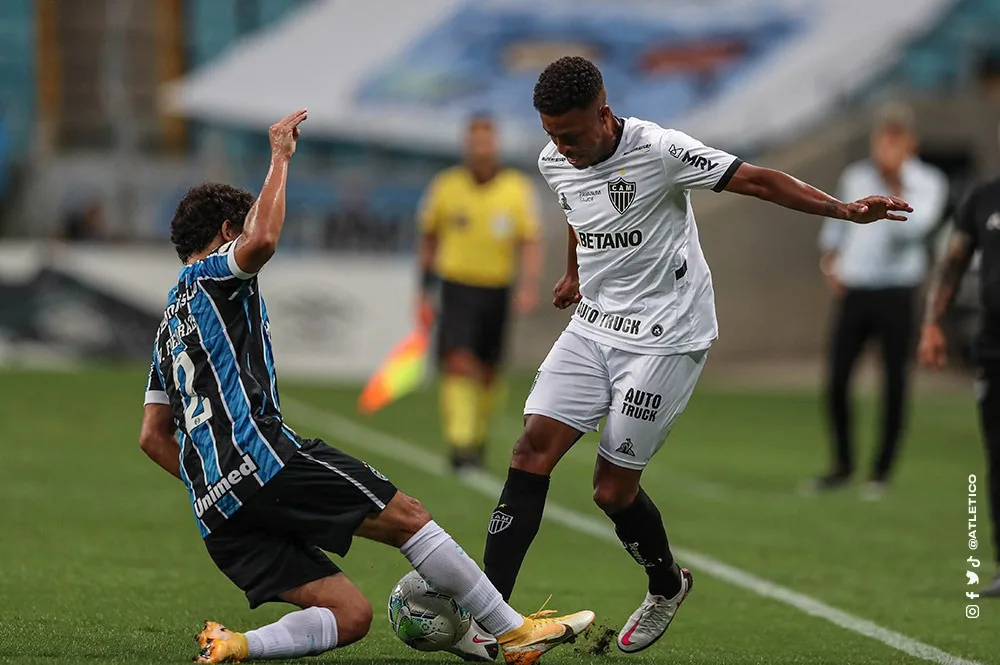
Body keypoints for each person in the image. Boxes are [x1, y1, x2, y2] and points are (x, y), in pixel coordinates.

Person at [480, 56, 912, 655]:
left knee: (611, 491)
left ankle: (665, 585)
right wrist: (574, 270)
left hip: (666, 335)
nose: (562, 148)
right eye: (551, 135)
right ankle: (490, 620)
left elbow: (757, 179)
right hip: (594, 324)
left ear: (604, 114)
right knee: (530, 451)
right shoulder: (555, 159)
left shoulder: (660, 150)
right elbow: (579, 210)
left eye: (572, 135)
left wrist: (842, 210)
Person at [138, 109, 593, 665]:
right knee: (410, 518)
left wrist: (212, 479)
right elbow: (263, 240)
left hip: (217, 511)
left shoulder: (166, 328)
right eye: (244, 223)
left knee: (349, 616)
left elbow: (153, 437)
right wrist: (280, 156)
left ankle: (233, 646)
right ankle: (512, 633)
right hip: (263, 460)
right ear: (227, 232)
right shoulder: (211, 277)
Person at [812, 103, 948, 499]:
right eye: (882, 139)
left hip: (897, 292)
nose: (885, 148)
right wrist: (830, 264)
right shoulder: (855, 175)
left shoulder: (928, 182)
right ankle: (841, 465)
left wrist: (896, 184)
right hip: (855, 291)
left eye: (895, 140)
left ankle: (881, 471)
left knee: (894, 382)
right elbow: (833, 230)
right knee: (837, 379)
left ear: (910, 144)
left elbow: (913, 232)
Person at [417, 113, 542, 471]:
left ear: (495, 145)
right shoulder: (446, 186)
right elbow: (428, 238)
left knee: (489, 370)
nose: (481, 148)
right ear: (466, 146)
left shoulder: (516, 188)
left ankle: (478, 435)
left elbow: (529, 241)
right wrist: (424, 290)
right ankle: (460, 444)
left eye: (486, 141)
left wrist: (528, 285)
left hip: (498, 288)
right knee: (458, 362)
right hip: (457, 286)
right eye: (474, 141)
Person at [919, 165, 1000, 597]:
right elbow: (953, 264)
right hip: (994, 351)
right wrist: (932, 322)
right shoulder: (983, 197)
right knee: (998, 460)